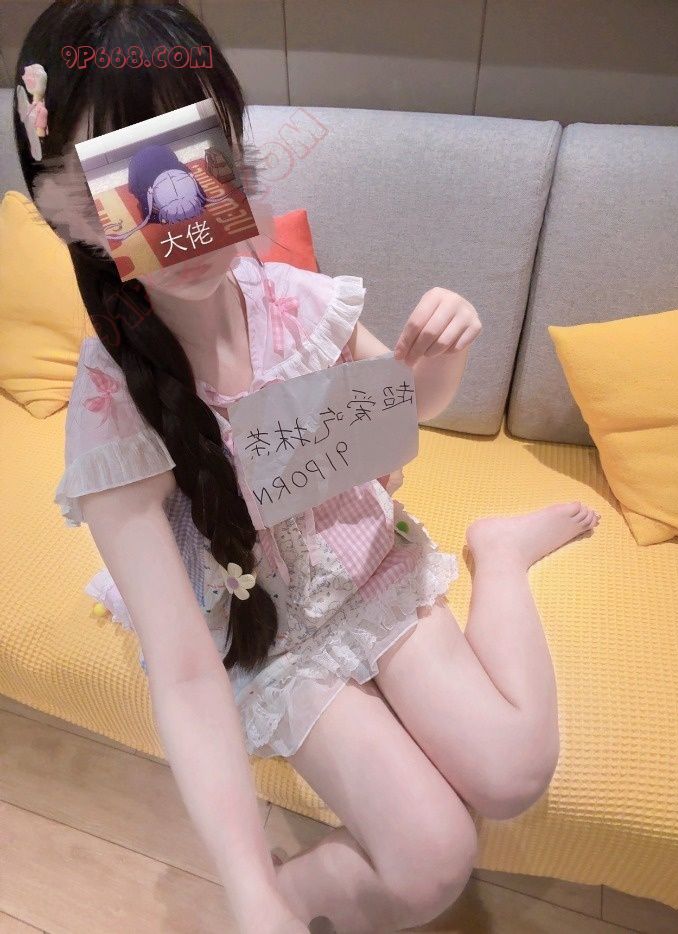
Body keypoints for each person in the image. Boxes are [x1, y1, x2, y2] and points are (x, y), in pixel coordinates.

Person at [14, 3, 601, 932]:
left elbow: (400, 411)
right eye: (126, 175)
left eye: (195, 150)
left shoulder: (284, 296)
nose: (176, 207)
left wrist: (436, 360)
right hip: (274, 640)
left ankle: (499, 553)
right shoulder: (112, 411)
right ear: (74, 212)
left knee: (516, 770)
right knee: (433, 861)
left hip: (368, 562)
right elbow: (185, 673)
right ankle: (298, 895)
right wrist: (252, 886)